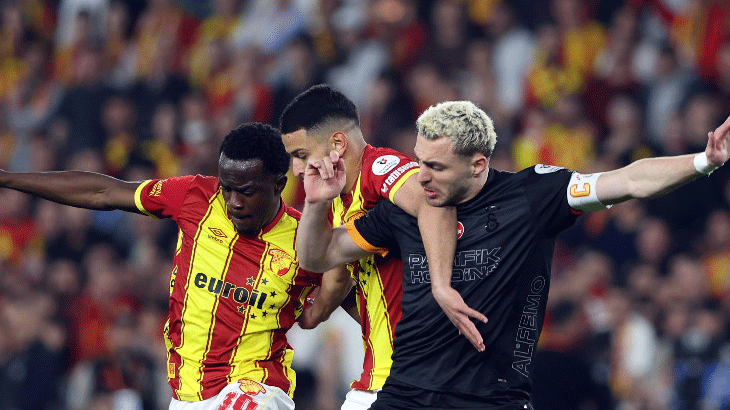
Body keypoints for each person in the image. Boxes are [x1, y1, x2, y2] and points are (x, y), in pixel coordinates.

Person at [295, 100, 730, 409]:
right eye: (420, 161)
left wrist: (702, 162)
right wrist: (315, 203)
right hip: (406, 395)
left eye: (437, 167)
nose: (421, 176)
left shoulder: (532, 195)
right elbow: (321, 255)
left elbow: (628, 180)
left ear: (478, 165)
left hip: (493, 398)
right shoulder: (405, 208)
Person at [0, 122, 344, 410]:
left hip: (256, 389)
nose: (234, 202)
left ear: (279, 184)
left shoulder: (305, 240)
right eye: (226, 188)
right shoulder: (195, 197)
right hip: (187, 395)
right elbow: (103, 192)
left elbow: (355, 297)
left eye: (246, 191)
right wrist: (8, 179)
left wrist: (323, 311)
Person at [279, 85, 480, 410]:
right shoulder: (336, 200)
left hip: (413, 380)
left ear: (338, 144)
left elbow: (433, 201)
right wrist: (308, 313)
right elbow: (331, 276)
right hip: (385, 376)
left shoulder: (378, 168)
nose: (296, 170)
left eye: (301, 155)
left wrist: (441, 286)